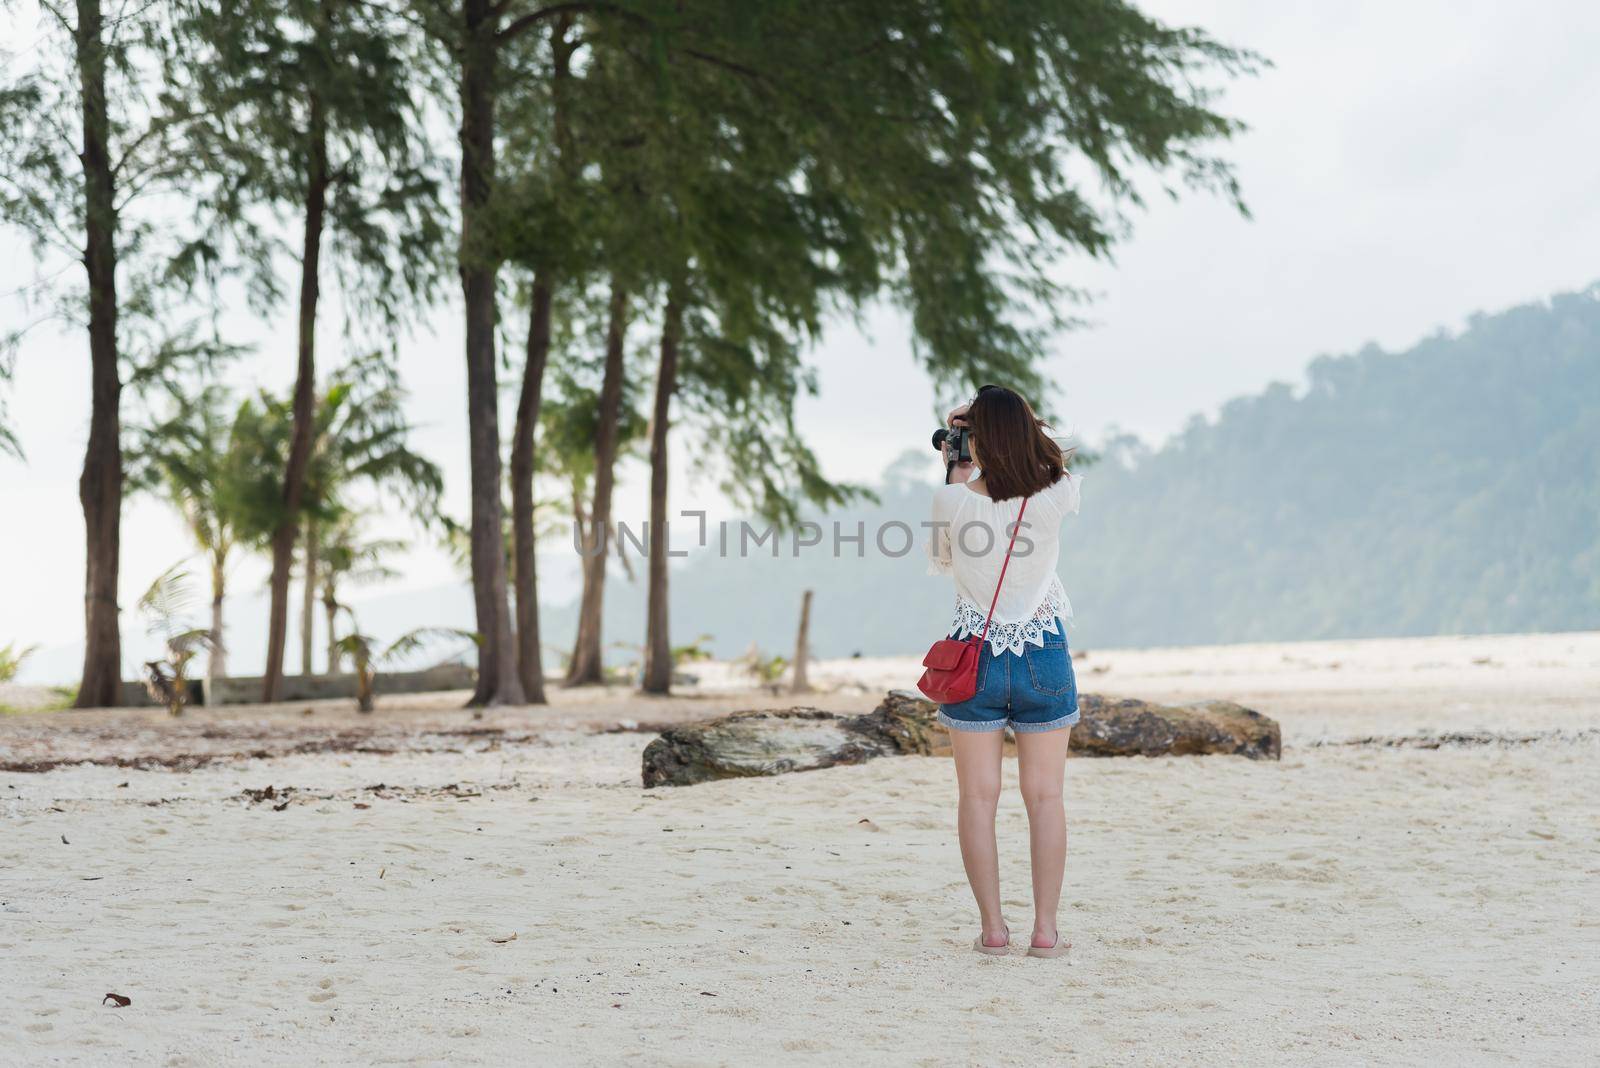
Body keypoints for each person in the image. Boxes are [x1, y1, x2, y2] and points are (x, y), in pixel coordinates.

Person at [926, 384, 1081, 958]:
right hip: (1044, 651)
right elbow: (1052, 458)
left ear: (971, 437)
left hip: (976, 654)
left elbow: (943, 563)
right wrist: (1018, 422)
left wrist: (956, 466)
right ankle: (1045, 931)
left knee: (977, 799)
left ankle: (993, 931)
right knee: (1045, 798)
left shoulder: (953, 501)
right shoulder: (1055, 495)